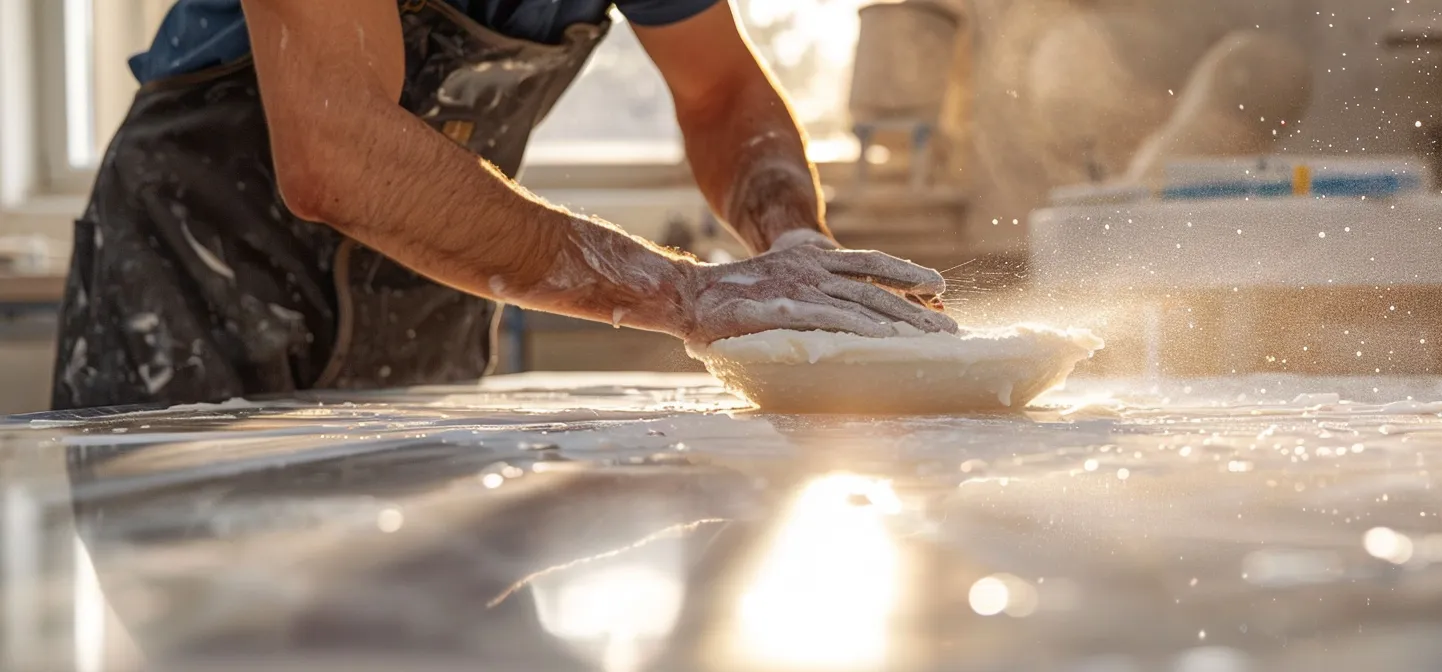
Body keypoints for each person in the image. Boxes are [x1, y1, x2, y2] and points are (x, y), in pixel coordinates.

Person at [50, 0, 957, 411]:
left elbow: (721, 93)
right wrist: (685, 294)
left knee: (431, 596)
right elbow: (335, 152)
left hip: (430, 273)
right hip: (196, 266)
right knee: (204, 605)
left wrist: (794, 236)